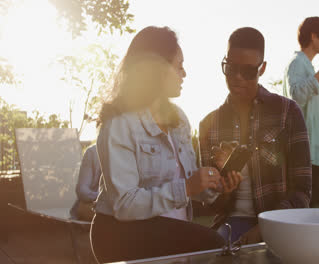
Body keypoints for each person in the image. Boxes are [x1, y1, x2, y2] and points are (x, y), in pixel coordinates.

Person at [90, 26, 237, 263]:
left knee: (216, 248)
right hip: (120, 234)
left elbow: (187, 183)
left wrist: (216, 182)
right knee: (215, 245)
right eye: (178, 66)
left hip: (171, 230)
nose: (184, 73)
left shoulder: (179, 120)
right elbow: (125, 205)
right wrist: (187, 187)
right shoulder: (119, 126)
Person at [199, 27, 312, 245]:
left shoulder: (288, 112)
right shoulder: (208, 125)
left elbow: (302, 190)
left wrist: (266, 227)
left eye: (248, 71)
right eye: (231, 68)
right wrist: (223, 190)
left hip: (282, 224)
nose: (237, 78)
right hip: (231, 226)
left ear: (263, 69)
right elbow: (211, 205)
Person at [283, 16, 319, 206]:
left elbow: (308, 103)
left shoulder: (306, 65)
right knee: (305, 206)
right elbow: (295, 96)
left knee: (312, 205)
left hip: (312, 148)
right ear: (314, 37)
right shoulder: (297, 62)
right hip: (304, 150)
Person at [70, 144, 101, 221]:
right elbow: (81, 190)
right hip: (93, 207)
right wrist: (102, 197)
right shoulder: (93, 152)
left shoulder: (130, 152)